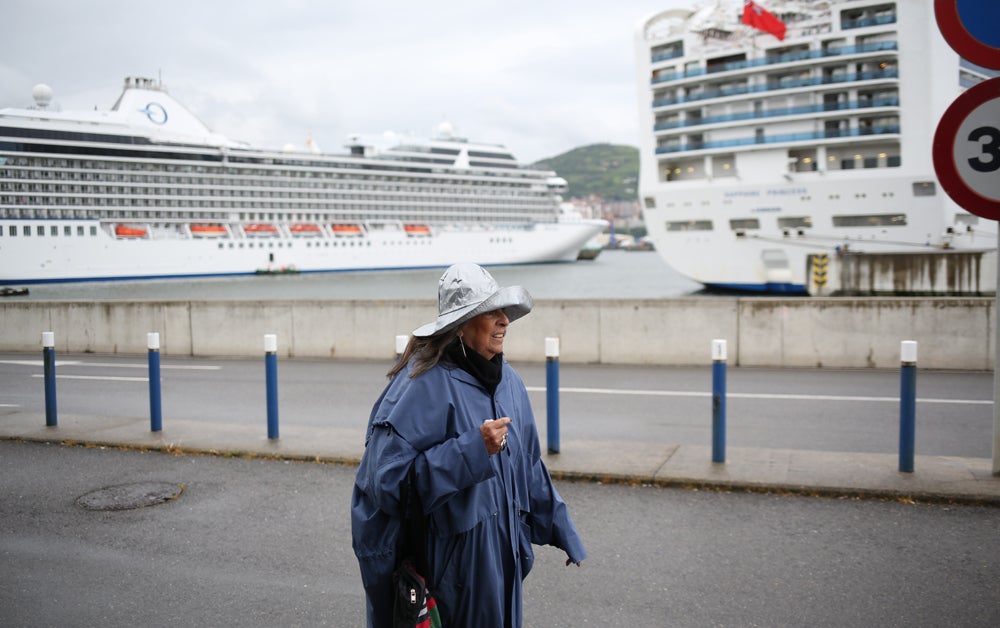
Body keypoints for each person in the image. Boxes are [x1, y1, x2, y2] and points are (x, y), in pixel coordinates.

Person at [351, 263, 587, 627]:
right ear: (461, 324)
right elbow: (385, 483)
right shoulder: (422, 385)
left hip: (500, 562)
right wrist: (471, 451)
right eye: (490, 312)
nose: (504, 320)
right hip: (450, 573)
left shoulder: (510, 382)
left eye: (503, 311)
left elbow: (529, 464)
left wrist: (561, 528)